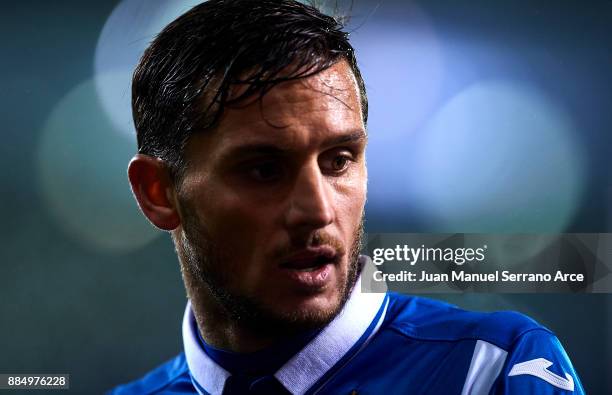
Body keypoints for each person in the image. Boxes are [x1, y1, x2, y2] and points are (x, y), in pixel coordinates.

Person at [111, 0, 584, 394]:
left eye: (339, 160)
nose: (317, 210)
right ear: (159, 193)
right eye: (263, 170)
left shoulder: (493, 370)